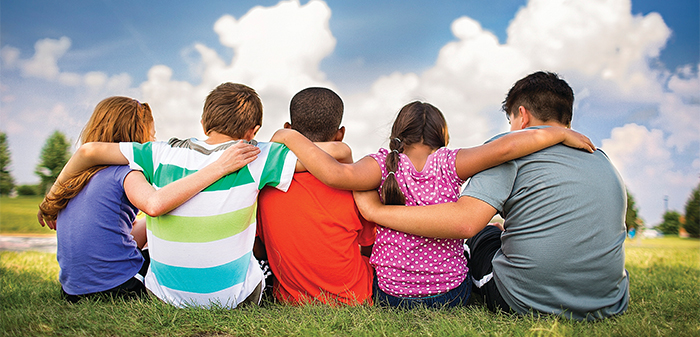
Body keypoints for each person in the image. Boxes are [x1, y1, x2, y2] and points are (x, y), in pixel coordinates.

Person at [353, 71, 630, 320]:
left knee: (480, 233)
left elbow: (464, 223)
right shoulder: (601, 158)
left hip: (526, 300)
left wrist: (376, 212)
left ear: (522, 116)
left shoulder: (510, 152)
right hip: (609, 299)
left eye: (510, 120)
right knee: (491, 228)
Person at [269, 97, 595, 309]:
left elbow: (334, 174)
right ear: (442, 135)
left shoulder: (382, 165)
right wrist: (560, 134)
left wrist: (289, 136)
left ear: (398, 132)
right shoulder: (451, 162)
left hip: (391, 296)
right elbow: (507, 149)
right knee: (478, 240)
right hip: (449, 295)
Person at [42, 83, 300, 309]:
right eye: (151, 134)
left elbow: (87, 152)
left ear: (203, 123)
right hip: (221, 298)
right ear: (253, 131)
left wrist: (50, 200)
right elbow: (154, 205)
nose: (153, 138)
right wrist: (220, 166)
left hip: (113, 291)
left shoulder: (143, 158)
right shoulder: (256, 153)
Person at [255, 87, 376, 305]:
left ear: (288, 129)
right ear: (340, 134)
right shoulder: (353, 183)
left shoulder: (264, 186)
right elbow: (369, 246)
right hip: (357, 295)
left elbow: (260, 249)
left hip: (290, 299)